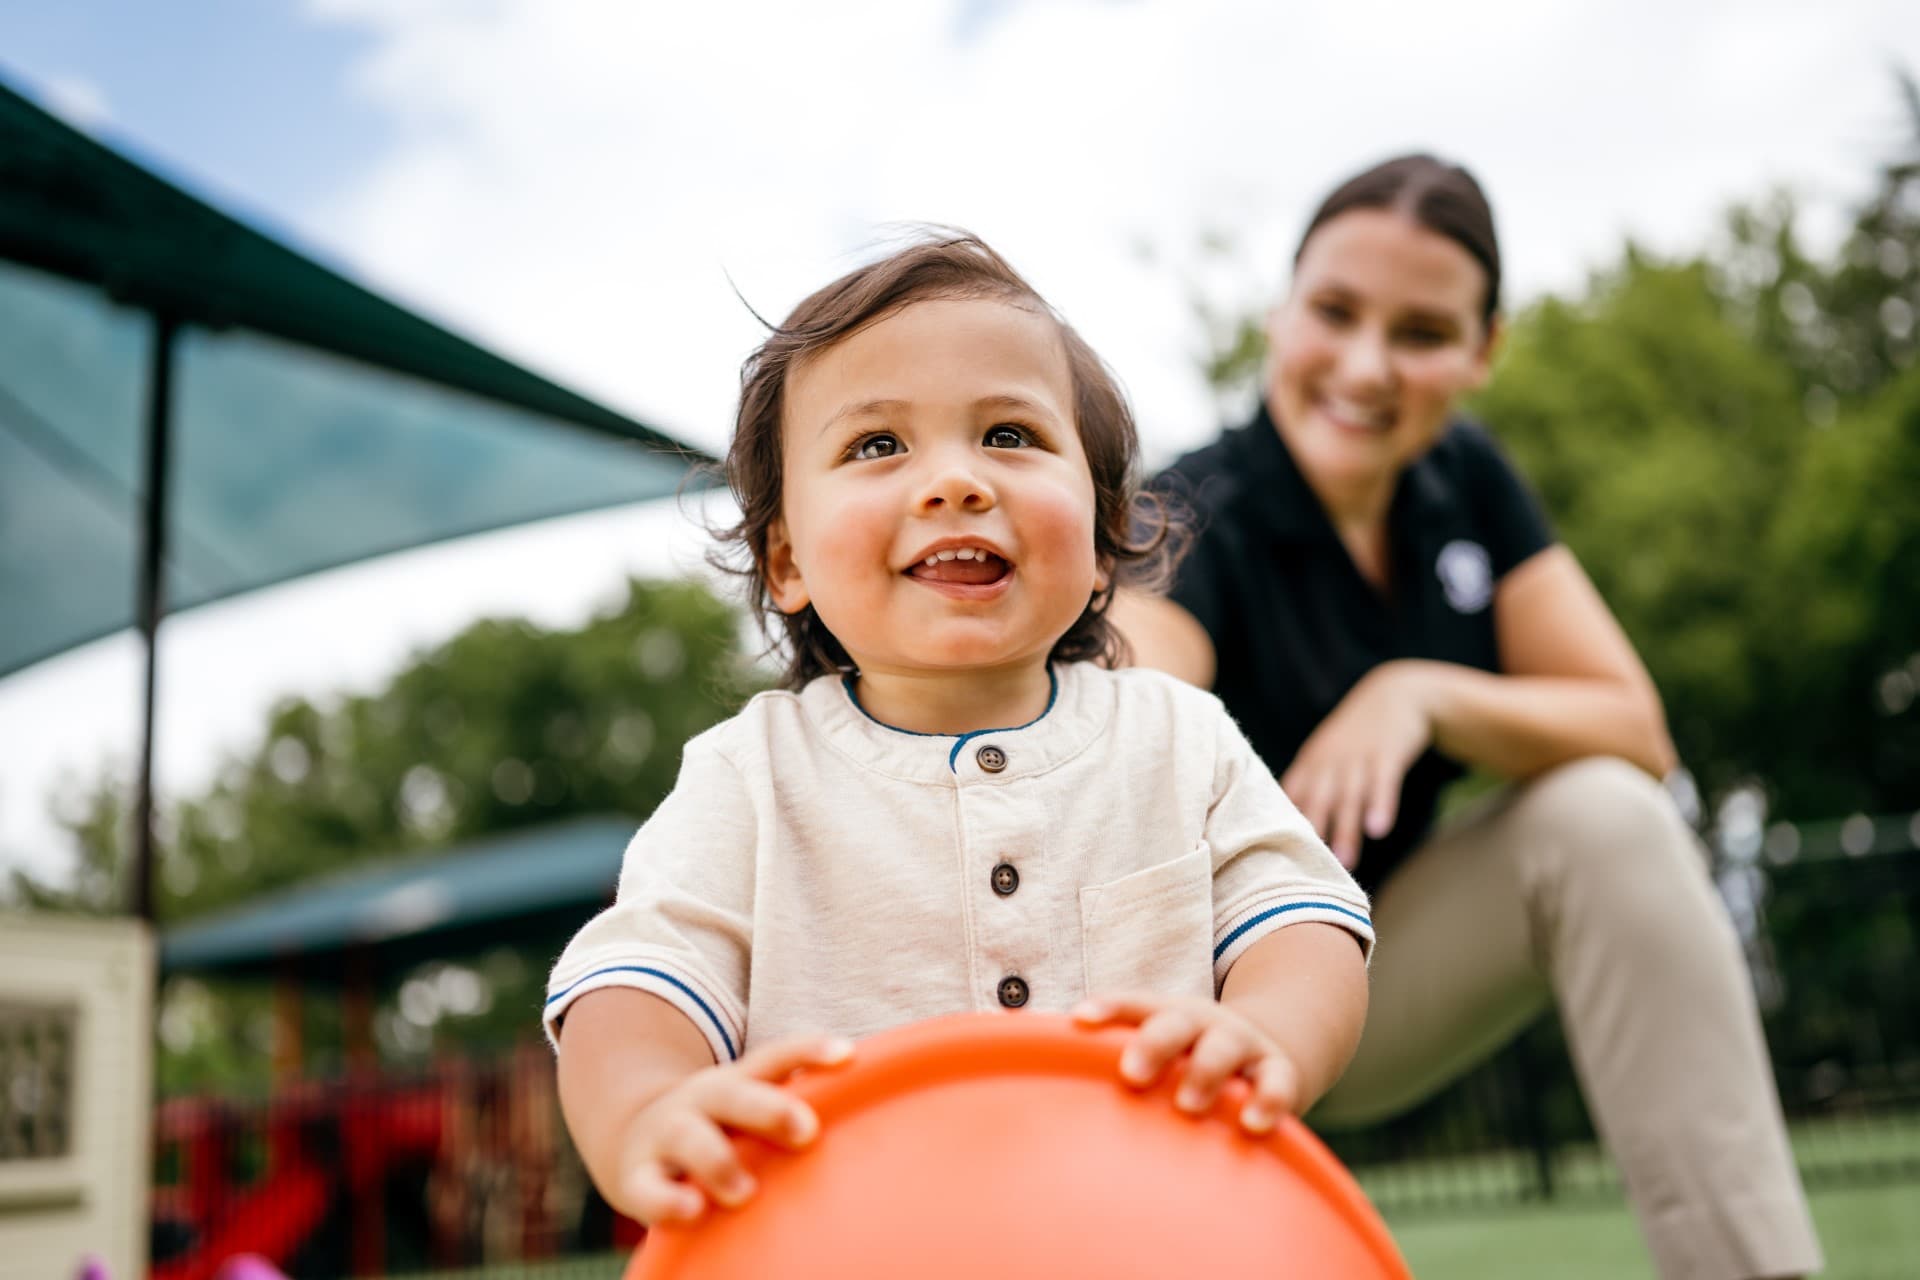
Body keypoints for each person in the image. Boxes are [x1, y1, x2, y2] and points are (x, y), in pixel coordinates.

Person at [544, 233, 1375, 1228]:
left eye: (1010, 436)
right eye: (877, 445)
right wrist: (644, 1104)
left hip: (1155, 1229)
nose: (955, 481)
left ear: (1108, 539)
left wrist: (1269, 1032)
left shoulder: (1177, 735)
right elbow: (637, 983)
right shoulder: (749, 775)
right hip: (852, 1240)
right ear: (787, 559)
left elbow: (1303, 922)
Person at [1112, 155, 1821, 1280]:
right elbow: (1122, 727)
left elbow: (1633, 727)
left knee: (1606, 813)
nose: (1364, 365)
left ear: (1485, 351)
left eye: (1423, 331)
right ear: (1280, 310)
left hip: (1365, 982)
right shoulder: (1188, 511)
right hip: (1179, 1019)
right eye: (1334, 312)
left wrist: (1422, 693)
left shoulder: (1467, 482)